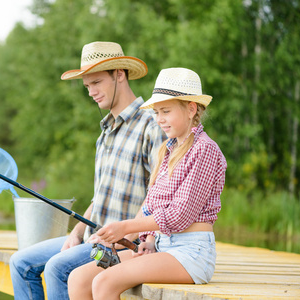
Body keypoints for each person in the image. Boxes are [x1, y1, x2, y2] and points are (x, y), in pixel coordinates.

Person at [9, 41, 165, 300]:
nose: (91, 92)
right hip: (91, 239)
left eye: (97, 83)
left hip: (121, 247)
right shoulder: (104, 133)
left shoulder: (151, 124)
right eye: (87, 86)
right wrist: (76, 231)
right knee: (20, 263)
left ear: (119, 75)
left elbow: (158, 195)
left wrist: (125, 233)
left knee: (58, 268)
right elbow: (100, 196)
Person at [67, 67, 228, 300]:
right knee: (79, 279)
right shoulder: (168, 149)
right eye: (156, 112)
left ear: (191, 109)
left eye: (165, 111)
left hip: (191, 253)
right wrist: (149, 239)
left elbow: (179, 215)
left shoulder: (205, 150)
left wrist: (126, 227)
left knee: (104, 281)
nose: (159, 119)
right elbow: (153, 203)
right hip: (162, 246)